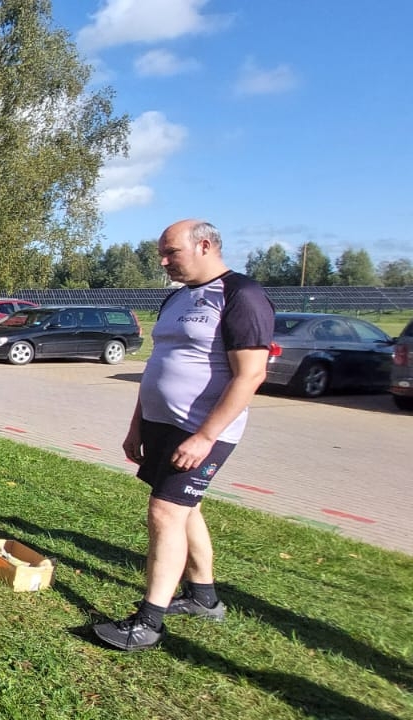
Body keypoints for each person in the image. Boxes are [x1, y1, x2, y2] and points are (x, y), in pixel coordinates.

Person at [93, 219, 274, 651]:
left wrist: (206, 436)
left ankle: (149, 623)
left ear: (205, 245)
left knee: (164, 513)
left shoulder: (242, 295)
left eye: (171, 252)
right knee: (186, 509)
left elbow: (251, 375)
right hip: (160, 424)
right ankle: (203, 597)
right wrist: (137, 424)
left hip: (201, 431)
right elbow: (159, 363)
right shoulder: (177, 297)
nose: (163, 261)